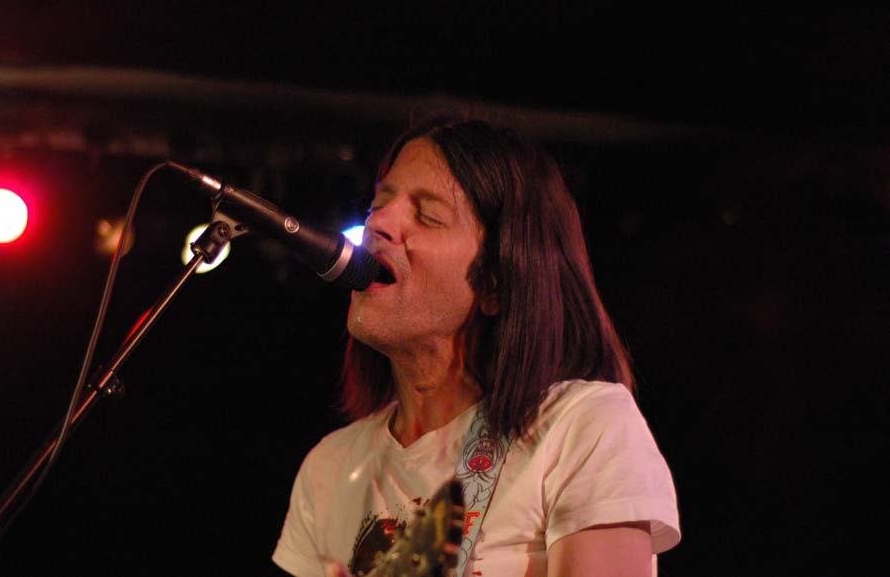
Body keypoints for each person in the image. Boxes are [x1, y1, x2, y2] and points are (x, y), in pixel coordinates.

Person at [272, 115, 680, 577]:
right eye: (378, 203)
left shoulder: (582, 427)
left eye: (428, 215)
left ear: (496, 283)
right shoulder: (330, 466)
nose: (378, 223)